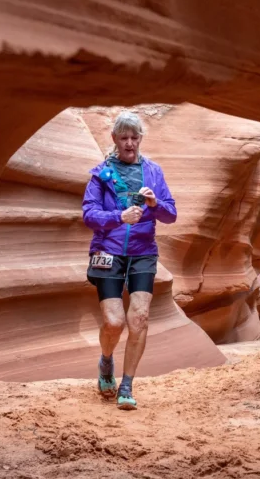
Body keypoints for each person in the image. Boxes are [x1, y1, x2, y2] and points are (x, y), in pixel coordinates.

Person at [82, 111, 177, 410]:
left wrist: (155, 203)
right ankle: (106, 361)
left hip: (143, 251)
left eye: (134, 137)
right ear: (114, 139)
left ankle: (127, 385)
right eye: (124, 137)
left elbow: (171, 214)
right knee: (114, 321)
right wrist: (118, 217)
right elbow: (88, 214)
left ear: (140, 139)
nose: (130, 143)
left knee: (140, 318)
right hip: (107, 251)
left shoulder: (154, 172)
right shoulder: (101, 174)